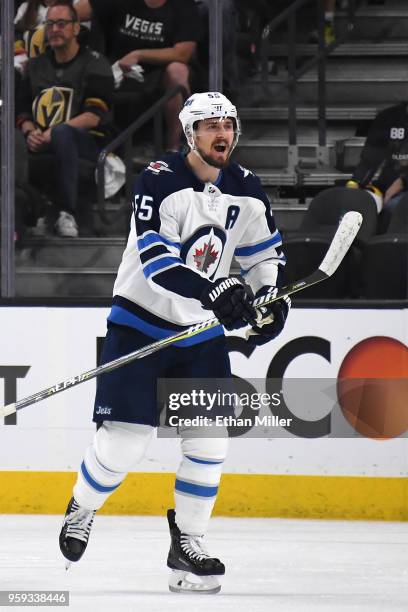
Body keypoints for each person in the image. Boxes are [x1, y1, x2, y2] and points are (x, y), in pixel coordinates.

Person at [58, 91, 290, 593]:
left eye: (228, 124)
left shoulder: (247, 188)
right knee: (125, 443)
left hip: (200, 332)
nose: (221, 134)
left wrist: (270, 296)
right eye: (209, 126)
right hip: (140, 323)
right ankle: (84, 506)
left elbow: (262, 257)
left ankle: (187, 547)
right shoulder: (158, 180)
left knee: (209, 442)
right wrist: (216, 290)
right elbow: (157, 261)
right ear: (190, 134)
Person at [16, 1, 114, 237]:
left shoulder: (96, 63)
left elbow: (94, 116)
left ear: (76, 28)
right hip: (43, 140)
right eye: (50, 24)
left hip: (86, 143)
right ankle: (21, 215)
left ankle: (65, 212)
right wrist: (30, 132)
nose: (55, 29)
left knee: (62, 133)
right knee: (13, 139)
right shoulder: (35, 66)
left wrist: (52, 132)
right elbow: (21, 111)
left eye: (62, 24)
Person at [75, 0, 201, 149]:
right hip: (117, 68)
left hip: (159, 73)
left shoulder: (184, 6)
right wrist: (53, 23)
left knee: (177, 71)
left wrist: (139, 55)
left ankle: (173, 147)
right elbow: (76, 12)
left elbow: (182, 54)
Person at [346, 101, 408, 231]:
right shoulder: (388, 117)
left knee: (395, 207)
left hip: (401, 190)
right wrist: (354, 184)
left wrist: (403, 181)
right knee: (354, 206)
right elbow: (369, 160)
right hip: (386, 186)